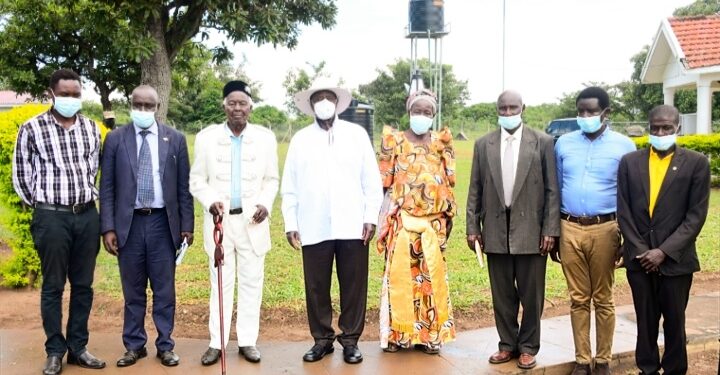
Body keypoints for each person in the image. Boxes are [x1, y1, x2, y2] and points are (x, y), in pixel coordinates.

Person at [12, 69, 106, 375]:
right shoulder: (32, 128)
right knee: (53, 286)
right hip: (51, 217)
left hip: (87, 216)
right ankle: (55, 350)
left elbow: (94, 170)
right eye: (64, 94)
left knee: (83, 286)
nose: (70, 99)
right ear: (52, 94)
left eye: (76, 94)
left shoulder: (92, 129)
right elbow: (22, 177)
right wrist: (44, 206)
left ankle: (78, 348)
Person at [281, 81, 383, 364]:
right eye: (318, 98)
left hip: (353, 223)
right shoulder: (300, 139)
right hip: (313, 224)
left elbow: (371, 181)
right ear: (311, 105)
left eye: (329, 97)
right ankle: (322, 339)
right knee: (316, 286)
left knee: (353, 285)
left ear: (337, 103)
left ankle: (350, 340)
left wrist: (370, 217)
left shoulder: (356, 134)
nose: (324, 102)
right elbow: (289, 184)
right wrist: (291, 221)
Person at [99, 85, 194, 367]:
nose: (142, 110)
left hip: (162, 224)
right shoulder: (116, 139)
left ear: (157, 106)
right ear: (131, 105)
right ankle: (134, 345)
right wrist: (108, 227)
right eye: (137, 105)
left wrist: (186, 226)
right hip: (129, 224)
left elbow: (183, 187)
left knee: (165, 290)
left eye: (147, 106)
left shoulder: (174, 139)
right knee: (133, 290)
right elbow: (107, 188)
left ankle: (165, 345)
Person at [466, 90, 559, 370]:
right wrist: (472, 227)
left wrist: (550, 230)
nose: (507, 113)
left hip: (532, 230)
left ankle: (529, 347)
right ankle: (507, 344)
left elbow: (552, 190)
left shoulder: (542, 141)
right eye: (503, 109)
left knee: (532, 295)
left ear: (523, 108)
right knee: (502, 294)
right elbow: (475, 189)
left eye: (512, 108)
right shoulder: (484, 144)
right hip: (495, 229)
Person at [189, 80, 279, 365]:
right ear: (224, 106)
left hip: (252, 222)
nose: (237, 108)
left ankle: (248, 341)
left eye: (242, 103)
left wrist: (265, 203)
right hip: (220, 224)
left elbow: (272, 180)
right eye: (232, 103)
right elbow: (197, 180)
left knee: (252, 283)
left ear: (250, 107)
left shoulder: (266, 138)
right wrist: (210, 200)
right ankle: (217, 342)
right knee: (220, 284)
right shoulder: (206, 137)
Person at [617, 105, 710, 375]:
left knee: (674, 323)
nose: (660, 132)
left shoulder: (696, 163)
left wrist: (663, 252)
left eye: (666, 128)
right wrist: (643, 251)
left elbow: (695, 217)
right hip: (639, 260)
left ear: (677, 128)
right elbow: (623, 211)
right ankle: (647, 369)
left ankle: (674, 369)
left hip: (676, 261)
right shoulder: (630, 162)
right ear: (649, 127)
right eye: (655, 127)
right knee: (645, 323)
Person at [553, 86, 636, 375]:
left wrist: (627, 237)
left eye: (591, 111)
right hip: (569, 227)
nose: (585, 116)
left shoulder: (625, 146)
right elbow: (556, 189)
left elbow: (630, 194)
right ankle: (581, 360)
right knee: (578, 298)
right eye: (580, 111)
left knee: (603, 297)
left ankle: (602, 360)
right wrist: (554, 233)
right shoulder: (563, 144)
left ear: (606, 113)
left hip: (606, 228)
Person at [377, 89, 457, 355]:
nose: (421, 116)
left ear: (434, 115)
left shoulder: (442, 143)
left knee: (431, 279)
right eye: (417, 111)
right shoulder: (394, 142)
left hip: (433, 226)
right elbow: (384, 184)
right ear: (408, 111)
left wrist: (449, 215)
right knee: (401, 278)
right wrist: (383, 222)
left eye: (427, 112)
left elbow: (448, 182)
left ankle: (431, 335)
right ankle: (399, 335)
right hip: (402, 224)